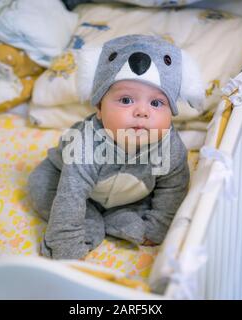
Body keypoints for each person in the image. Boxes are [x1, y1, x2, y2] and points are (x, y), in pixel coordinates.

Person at [28, 34, 204, 259]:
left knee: (155, 199)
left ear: (171, 112)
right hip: (64, 181)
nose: (142, 111)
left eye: (156, 103)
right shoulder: (86, 143)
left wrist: (156, 228)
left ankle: (117, 217)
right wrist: (65, 245)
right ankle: (90, 220)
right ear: (99, 108)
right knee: (40, 187)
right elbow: (70, 194)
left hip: (130, 196)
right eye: (126, 100)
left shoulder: (171, 148)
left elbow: (172, 189)